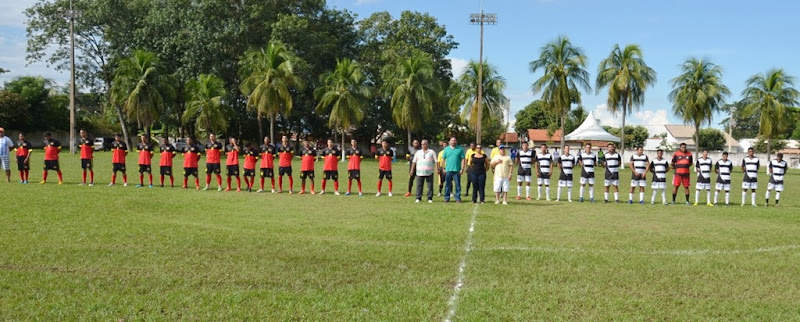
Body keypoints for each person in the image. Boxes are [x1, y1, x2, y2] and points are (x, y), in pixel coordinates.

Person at [441, 137, 466, 203]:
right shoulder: (446, 149)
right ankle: (446, 198)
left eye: (454, 140)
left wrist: (462, 169)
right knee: (447, 184)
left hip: (457, 170)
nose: (453, 142)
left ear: (456, 141)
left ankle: (457, 198)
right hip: (448, 170)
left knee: (457, 185)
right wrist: (443, 168)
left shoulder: (460, 149)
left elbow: (463, 159)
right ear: (449, 142)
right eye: (452, 140)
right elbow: (443, 159)